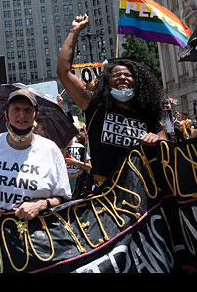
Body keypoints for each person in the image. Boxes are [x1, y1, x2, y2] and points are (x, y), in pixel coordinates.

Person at [57, 14, 169, 185]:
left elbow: (166, 150)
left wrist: (156, 141)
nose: (122, 78)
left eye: (128, 75)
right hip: (105, 194)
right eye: (116, 75)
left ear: (137, 82)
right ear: (107, 83)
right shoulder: (95, 105)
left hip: (142, 192)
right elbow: (63, 72)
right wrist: (74, 31)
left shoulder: (146, 114)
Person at [0, 89, 71, 225]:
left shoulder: (51, 150)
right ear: (6, 114)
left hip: (37, 237)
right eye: (16, 109)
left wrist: (40, 205)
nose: (22, 115)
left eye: (27, 110)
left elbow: (63, 197)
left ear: (35, 115)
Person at [64, 123, 92, 195]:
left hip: (79, 180)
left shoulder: (81, 147)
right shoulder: (60, 148)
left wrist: (75, 162)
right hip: (64, 180)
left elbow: (89, 166)